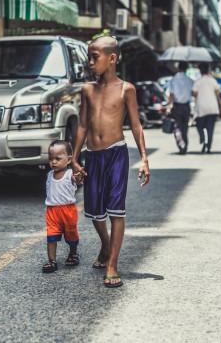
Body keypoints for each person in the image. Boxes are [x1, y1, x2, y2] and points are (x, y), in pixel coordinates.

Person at [72, 35, 150, 288]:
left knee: (116, 210)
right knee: (95, 212)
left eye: (95, 57)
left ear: (112, 58)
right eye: (89, 57)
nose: (90, 62)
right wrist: (74, 158)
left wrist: (145, 159)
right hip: (93, 156)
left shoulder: (127, 89)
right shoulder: (87, 90)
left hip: (116, 153)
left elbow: (136, 125)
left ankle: (113, 264)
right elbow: (83, 124)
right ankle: (106, 246)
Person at [42, 140, 80, 273]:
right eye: (51, 158)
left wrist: (79, 176)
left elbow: (78, 179)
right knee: (51, 236)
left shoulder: (70, 175)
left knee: (71, 234)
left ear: (69, 160)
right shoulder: (49, 175)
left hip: (68, 211)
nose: (53, 162)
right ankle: (52, 261)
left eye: (58, 158)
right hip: (52, 211)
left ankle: (73, 253)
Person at [192, 63, 221, 153]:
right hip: (212, 107)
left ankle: (202, 138)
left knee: (199, 125)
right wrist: (220, 106)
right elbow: (218, 94)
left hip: (201, 108)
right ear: (208, 70)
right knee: (210, 129)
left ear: (200, 71)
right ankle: (208, 147)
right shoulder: (212, 80)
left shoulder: (198, 81)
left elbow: (194, 93)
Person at [167, 61, 194, 154]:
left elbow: (171, 95)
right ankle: (185, 145)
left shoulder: (173, 80)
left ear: (178, 68)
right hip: (186, 106)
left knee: (177, 127)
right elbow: (192, 94)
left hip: (177, 106)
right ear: (186, 69)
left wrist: (169, 106)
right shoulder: (190, 80)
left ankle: (181, 144)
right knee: (185, 127)